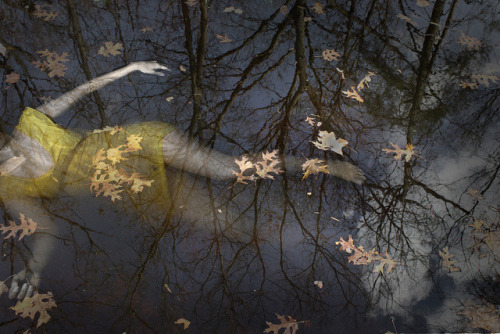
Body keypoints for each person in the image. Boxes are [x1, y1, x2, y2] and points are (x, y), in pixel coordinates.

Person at [0, 61, 365, 300]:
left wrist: (130, 68)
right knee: (228, 227)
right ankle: (299, 243)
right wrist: (32, 269)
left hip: (137, 141)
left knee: (228, 169)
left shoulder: (30, 121)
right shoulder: (11, 188)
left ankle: (321, 166)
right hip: (135, 187)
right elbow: (46, 229)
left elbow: (82, 90)